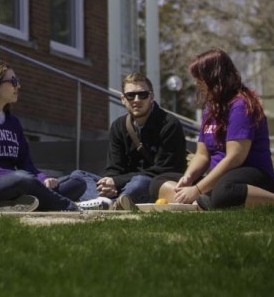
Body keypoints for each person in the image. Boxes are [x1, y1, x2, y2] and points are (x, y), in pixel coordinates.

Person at [149, 48, 274, 210]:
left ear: (214, 77)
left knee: (225, 191)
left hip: (250, 177)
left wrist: (198, 189)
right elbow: (202, 155)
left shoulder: (241, 105)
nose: (196, 83)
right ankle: (201, 202)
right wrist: (188, 179)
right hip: (216, 180)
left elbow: (235, 158)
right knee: (158, 181)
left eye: (199, 77)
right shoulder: (211, 108)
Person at [0, 61, 85, 212]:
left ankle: (24, 204)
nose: (18, 86)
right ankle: (69, 207)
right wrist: (18, 177)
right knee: (23, 179)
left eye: (17, 81)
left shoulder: (13, 121)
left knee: (77, 182)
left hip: (19, 185)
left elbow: (27, 165)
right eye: (13, 82)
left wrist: (43, 178)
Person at [71, 72, 187, 210]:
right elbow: (115, 168)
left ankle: (108, 203)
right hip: (124, 186)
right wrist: (109, 183)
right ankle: (113, 201)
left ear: (151, 97)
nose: (136, 100)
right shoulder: (118, 126)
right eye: (130, 95)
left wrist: (117, 181)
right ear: (123, 99)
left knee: (140, 182)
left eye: (142, 94)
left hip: (154, 184)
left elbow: (163, 170)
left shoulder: (169, 124)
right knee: (79, 176)